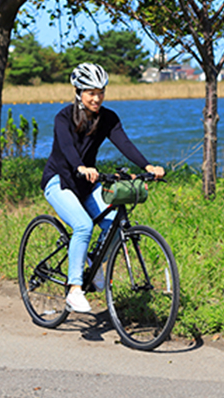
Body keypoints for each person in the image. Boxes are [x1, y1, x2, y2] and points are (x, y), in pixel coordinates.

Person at [40, 63, 165, 313]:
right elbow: (67, 148)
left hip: (86, 184)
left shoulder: (108, 118)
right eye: (91, 93)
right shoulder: (63, 117)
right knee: (83, 226)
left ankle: (92, 263)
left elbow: (124, 144)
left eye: (101, 92)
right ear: (78, 92)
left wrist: (148, 166)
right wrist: (80, 166)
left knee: (115, 226)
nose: (97, 98)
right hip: (59, 180)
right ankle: (74, 290)